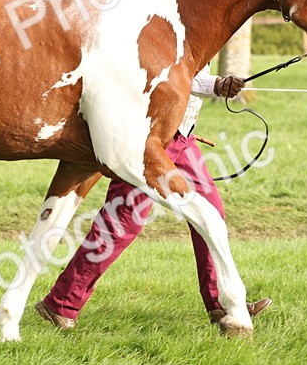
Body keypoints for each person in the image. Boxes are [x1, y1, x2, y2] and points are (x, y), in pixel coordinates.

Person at [35, 70, 271, 331]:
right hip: (148, 141)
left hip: (182, 136)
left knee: (211, 214)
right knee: (123, 222)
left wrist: (215, 87)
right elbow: (168, 69)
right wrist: (215, 85)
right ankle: (61, 304)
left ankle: (223, 305)